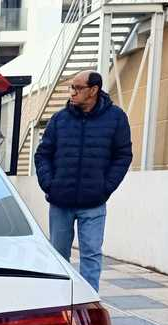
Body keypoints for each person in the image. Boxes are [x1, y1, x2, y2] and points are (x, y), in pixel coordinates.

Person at [33, 70, 132, 291]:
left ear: (93, 90)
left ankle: (87, 304)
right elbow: (42, 154)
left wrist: (105, 188)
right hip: (60, 202)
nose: (72, 93)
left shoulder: (116, 118)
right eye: (71, 87)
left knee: (91, 255)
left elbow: (123, 156)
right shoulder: (60, 119)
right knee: (58, 256)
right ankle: (60, 301)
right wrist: (50, 184)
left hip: (94, 203)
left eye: (78, 88)